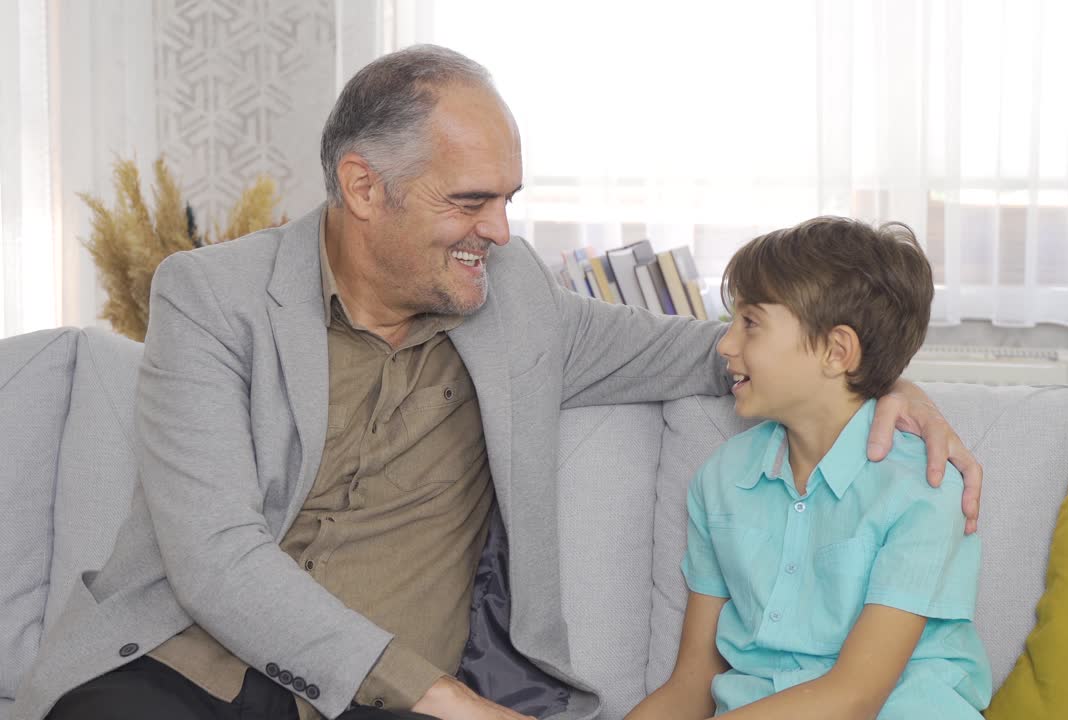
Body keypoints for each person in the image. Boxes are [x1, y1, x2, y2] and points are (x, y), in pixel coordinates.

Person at [13, 46, 981, 720]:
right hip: (184, 669)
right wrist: (453, 705)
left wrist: (888, 385)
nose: (502, 233)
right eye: (470, 202)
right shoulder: (209, 296)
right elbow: (216, 559)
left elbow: (714, 351)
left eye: (508, 201)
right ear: (362, 189)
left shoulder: (514, 298)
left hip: (381, 702)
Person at [626, 217, 992, 720]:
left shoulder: (923, 490)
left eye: (751, 322)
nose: (725, 344)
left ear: (836, 351)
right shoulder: (722, 478)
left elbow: (854, 697)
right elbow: (691, 684)